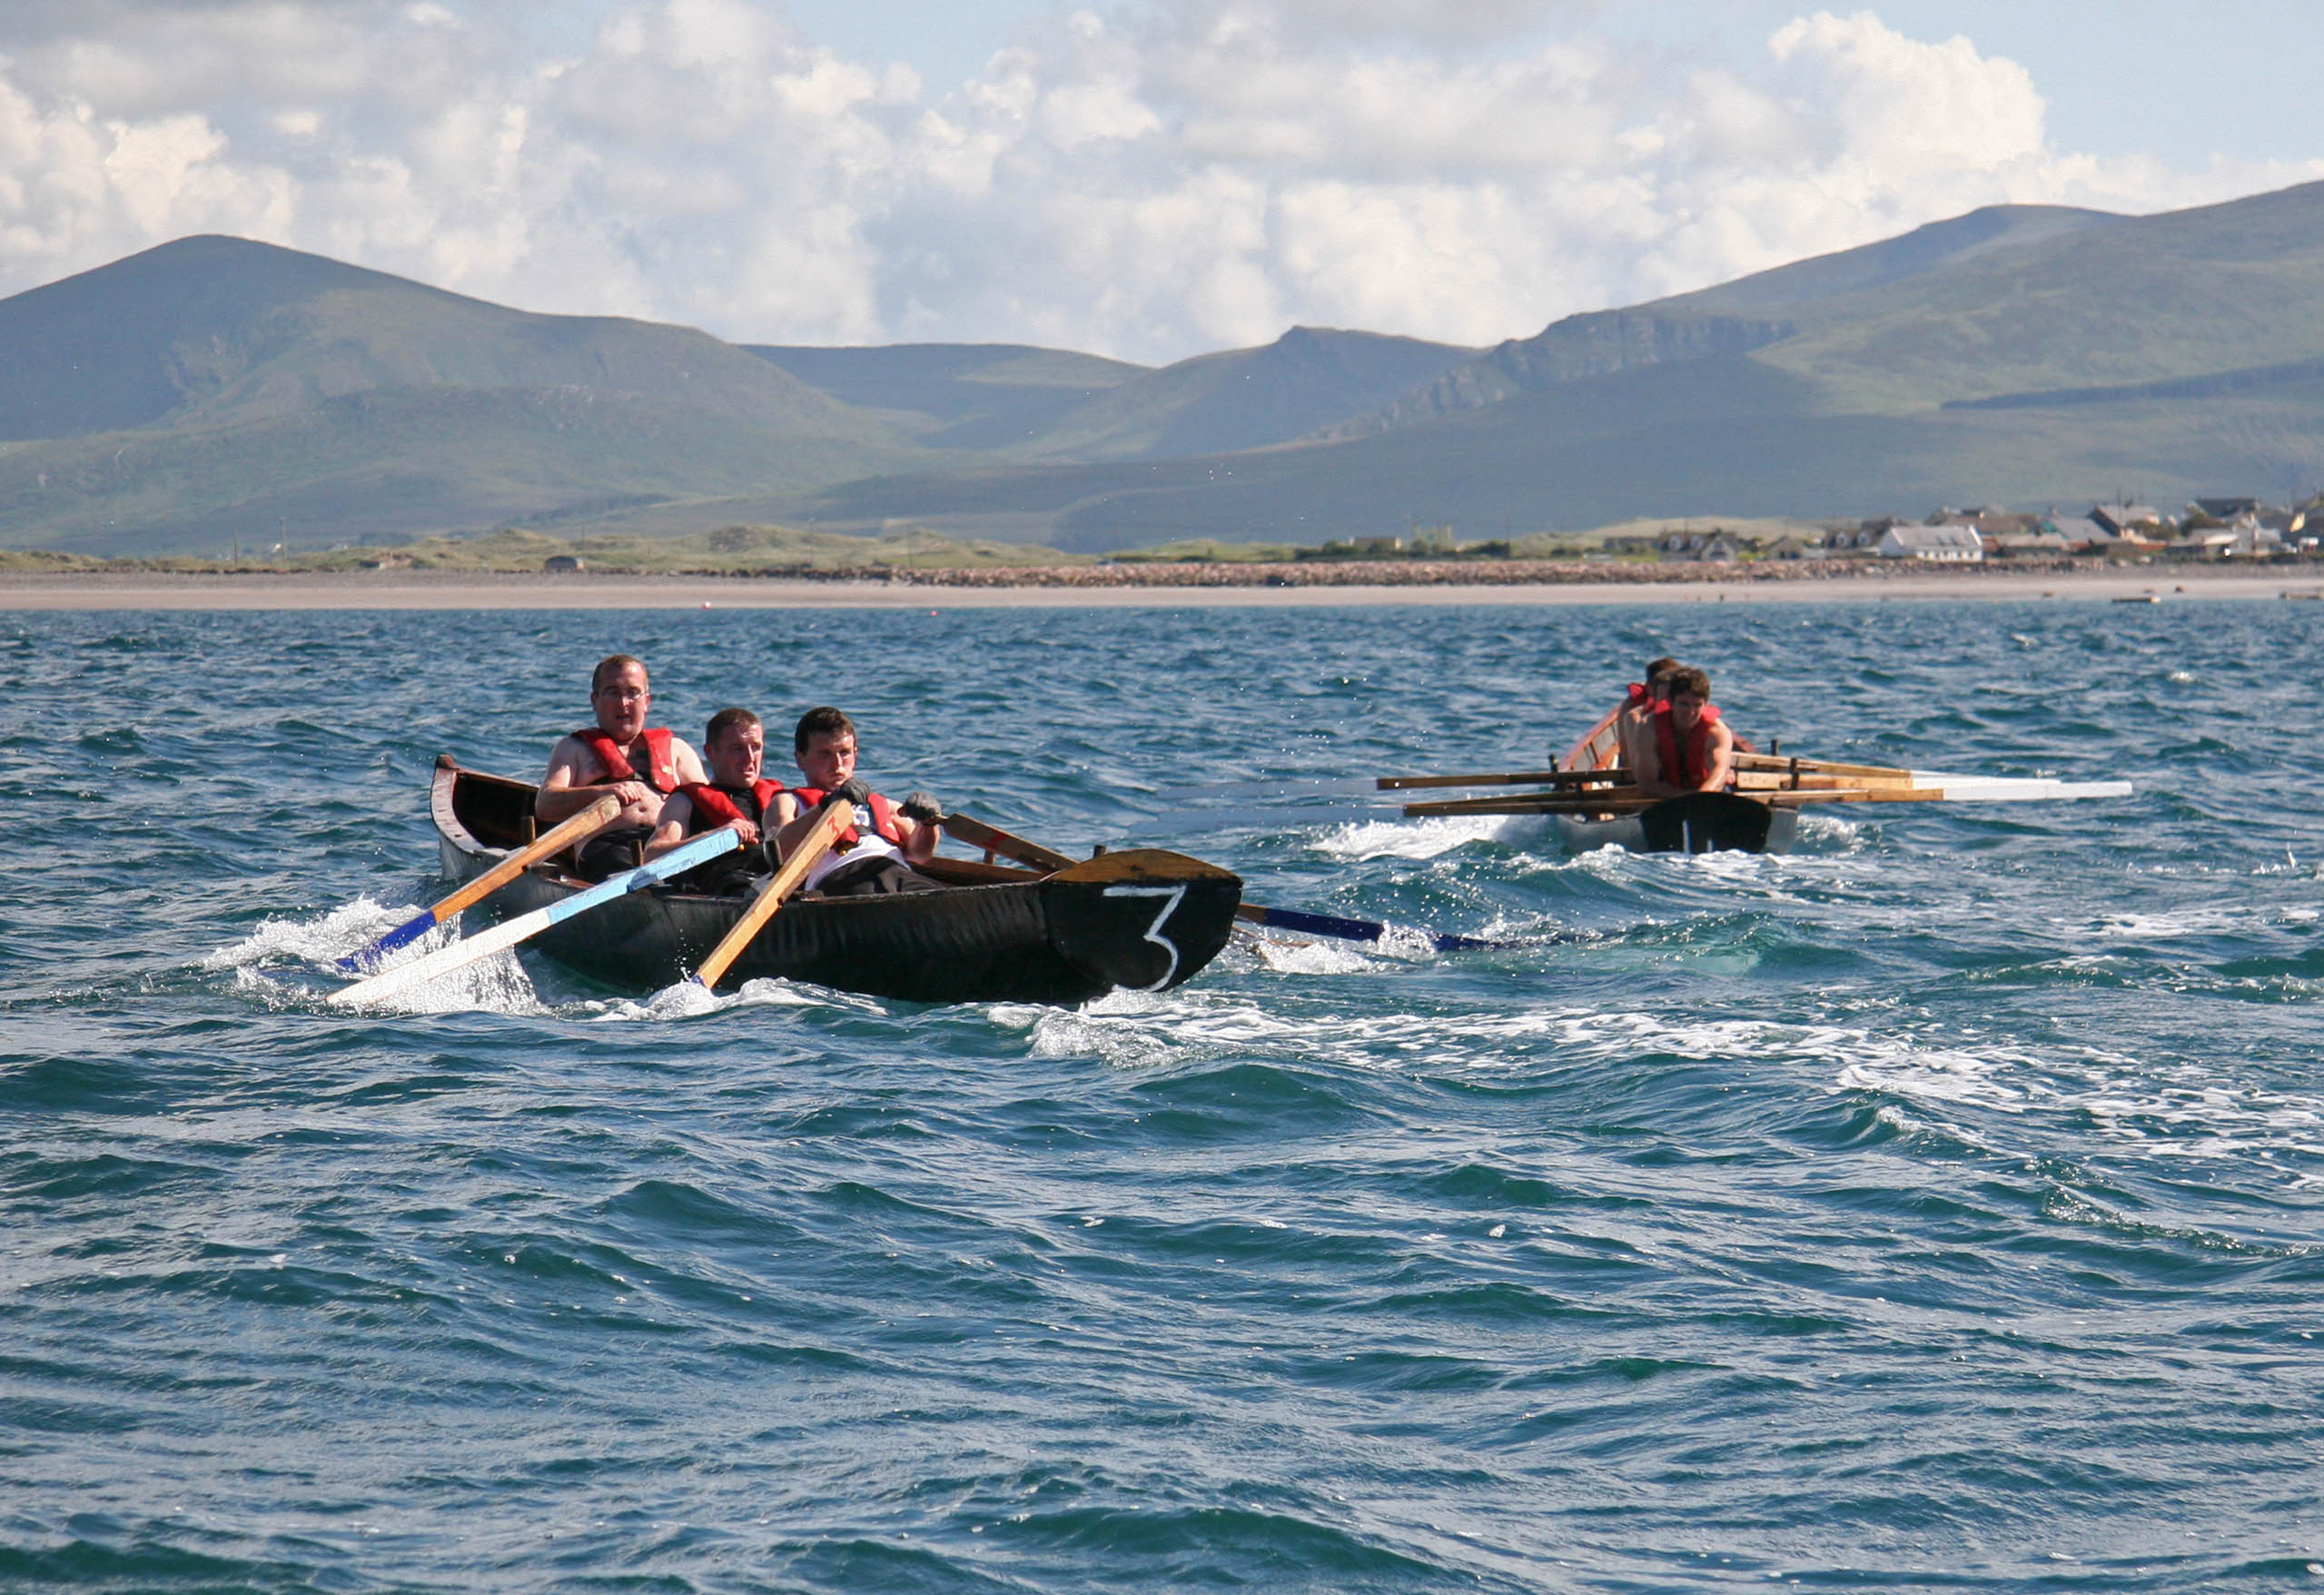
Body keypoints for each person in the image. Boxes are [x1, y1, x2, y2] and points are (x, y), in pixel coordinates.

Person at [538, 654, 708, 881]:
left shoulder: (677, 749)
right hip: (607, 849)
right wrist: (603, 792)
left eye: (632, 693)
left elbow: (711, 807)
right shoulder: (572, 749)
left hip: (667, 846)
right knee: (632, 877)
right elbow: (545, 805)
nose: (623, 703)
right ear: (594, 700)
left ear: (646, 701)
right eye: (613, 692)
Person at [770, 707, 944, 896]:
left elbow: (921, 855)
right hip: (841, 877)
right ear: (801, 760)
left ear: (855, 755)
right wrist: (828, 806)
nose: (837, 764)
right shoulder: (788, 801)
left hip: (895, 871)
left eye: (844, 753)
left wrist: (928, 823)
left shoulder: (887, 805)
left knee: (939, 897)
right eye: (825, 754)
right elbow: (779, 853)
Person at [644, 707, 785, 896]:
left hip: (778, 881)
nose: (750, 758)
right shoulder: (685, 801)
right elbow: (653, 855)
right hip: (729, 886)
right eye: (738, 749)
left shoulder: (779, 799)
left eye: (756, 747)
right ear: (710, 752)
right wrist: (715, 837)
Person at [1634, 666, 1736, 798]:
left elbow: (1719, 773)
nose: (1690, 712)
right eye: (1684, 704)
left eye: (1697, 705)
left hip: (1708, 796)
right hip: (1666, 796)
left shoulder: (1717, 732)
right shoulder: (1648, 728)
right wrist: (1684, 798)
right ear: (1671, 702)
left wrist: (1699, 798)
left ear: (1706, 705)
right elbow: (1647, 784)